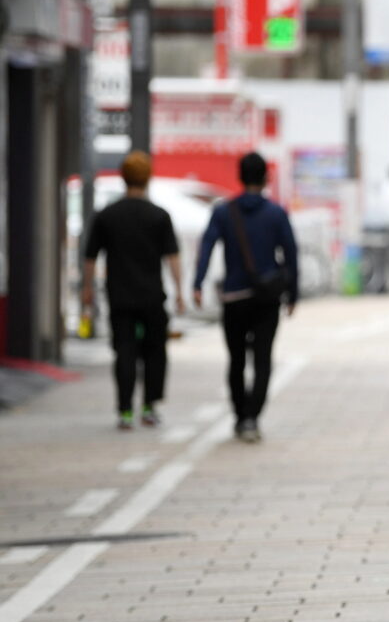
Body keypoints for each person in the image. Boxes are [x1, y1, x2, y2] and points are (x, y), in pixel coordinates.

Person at [193, 152, 299, 443]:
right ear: (266, 178)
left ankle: (240, 416)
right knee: (263, 359)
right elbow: (291, 255)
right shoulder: (277, 214)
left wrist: (198, 282)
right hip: (267, 299)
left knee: (236, 359)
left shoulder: (224, 212)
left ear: (240, 176)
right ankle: (252, 417)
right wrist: (293, 294)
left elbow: (207, 246)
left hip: (234, 297)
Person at [82, 151, 185, 430]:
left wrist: (87, 290)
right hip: (152, 295)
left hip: (120, 295)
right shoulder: (159, 216)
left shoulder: (107, 215)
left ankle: (125, 410)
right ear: (148, 178)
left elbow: (90, 257)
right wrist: (179, 291)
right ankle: (150, 406)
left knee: (124, 350)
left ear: (123, 177)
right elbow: (172, 257)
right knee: (155, 351)